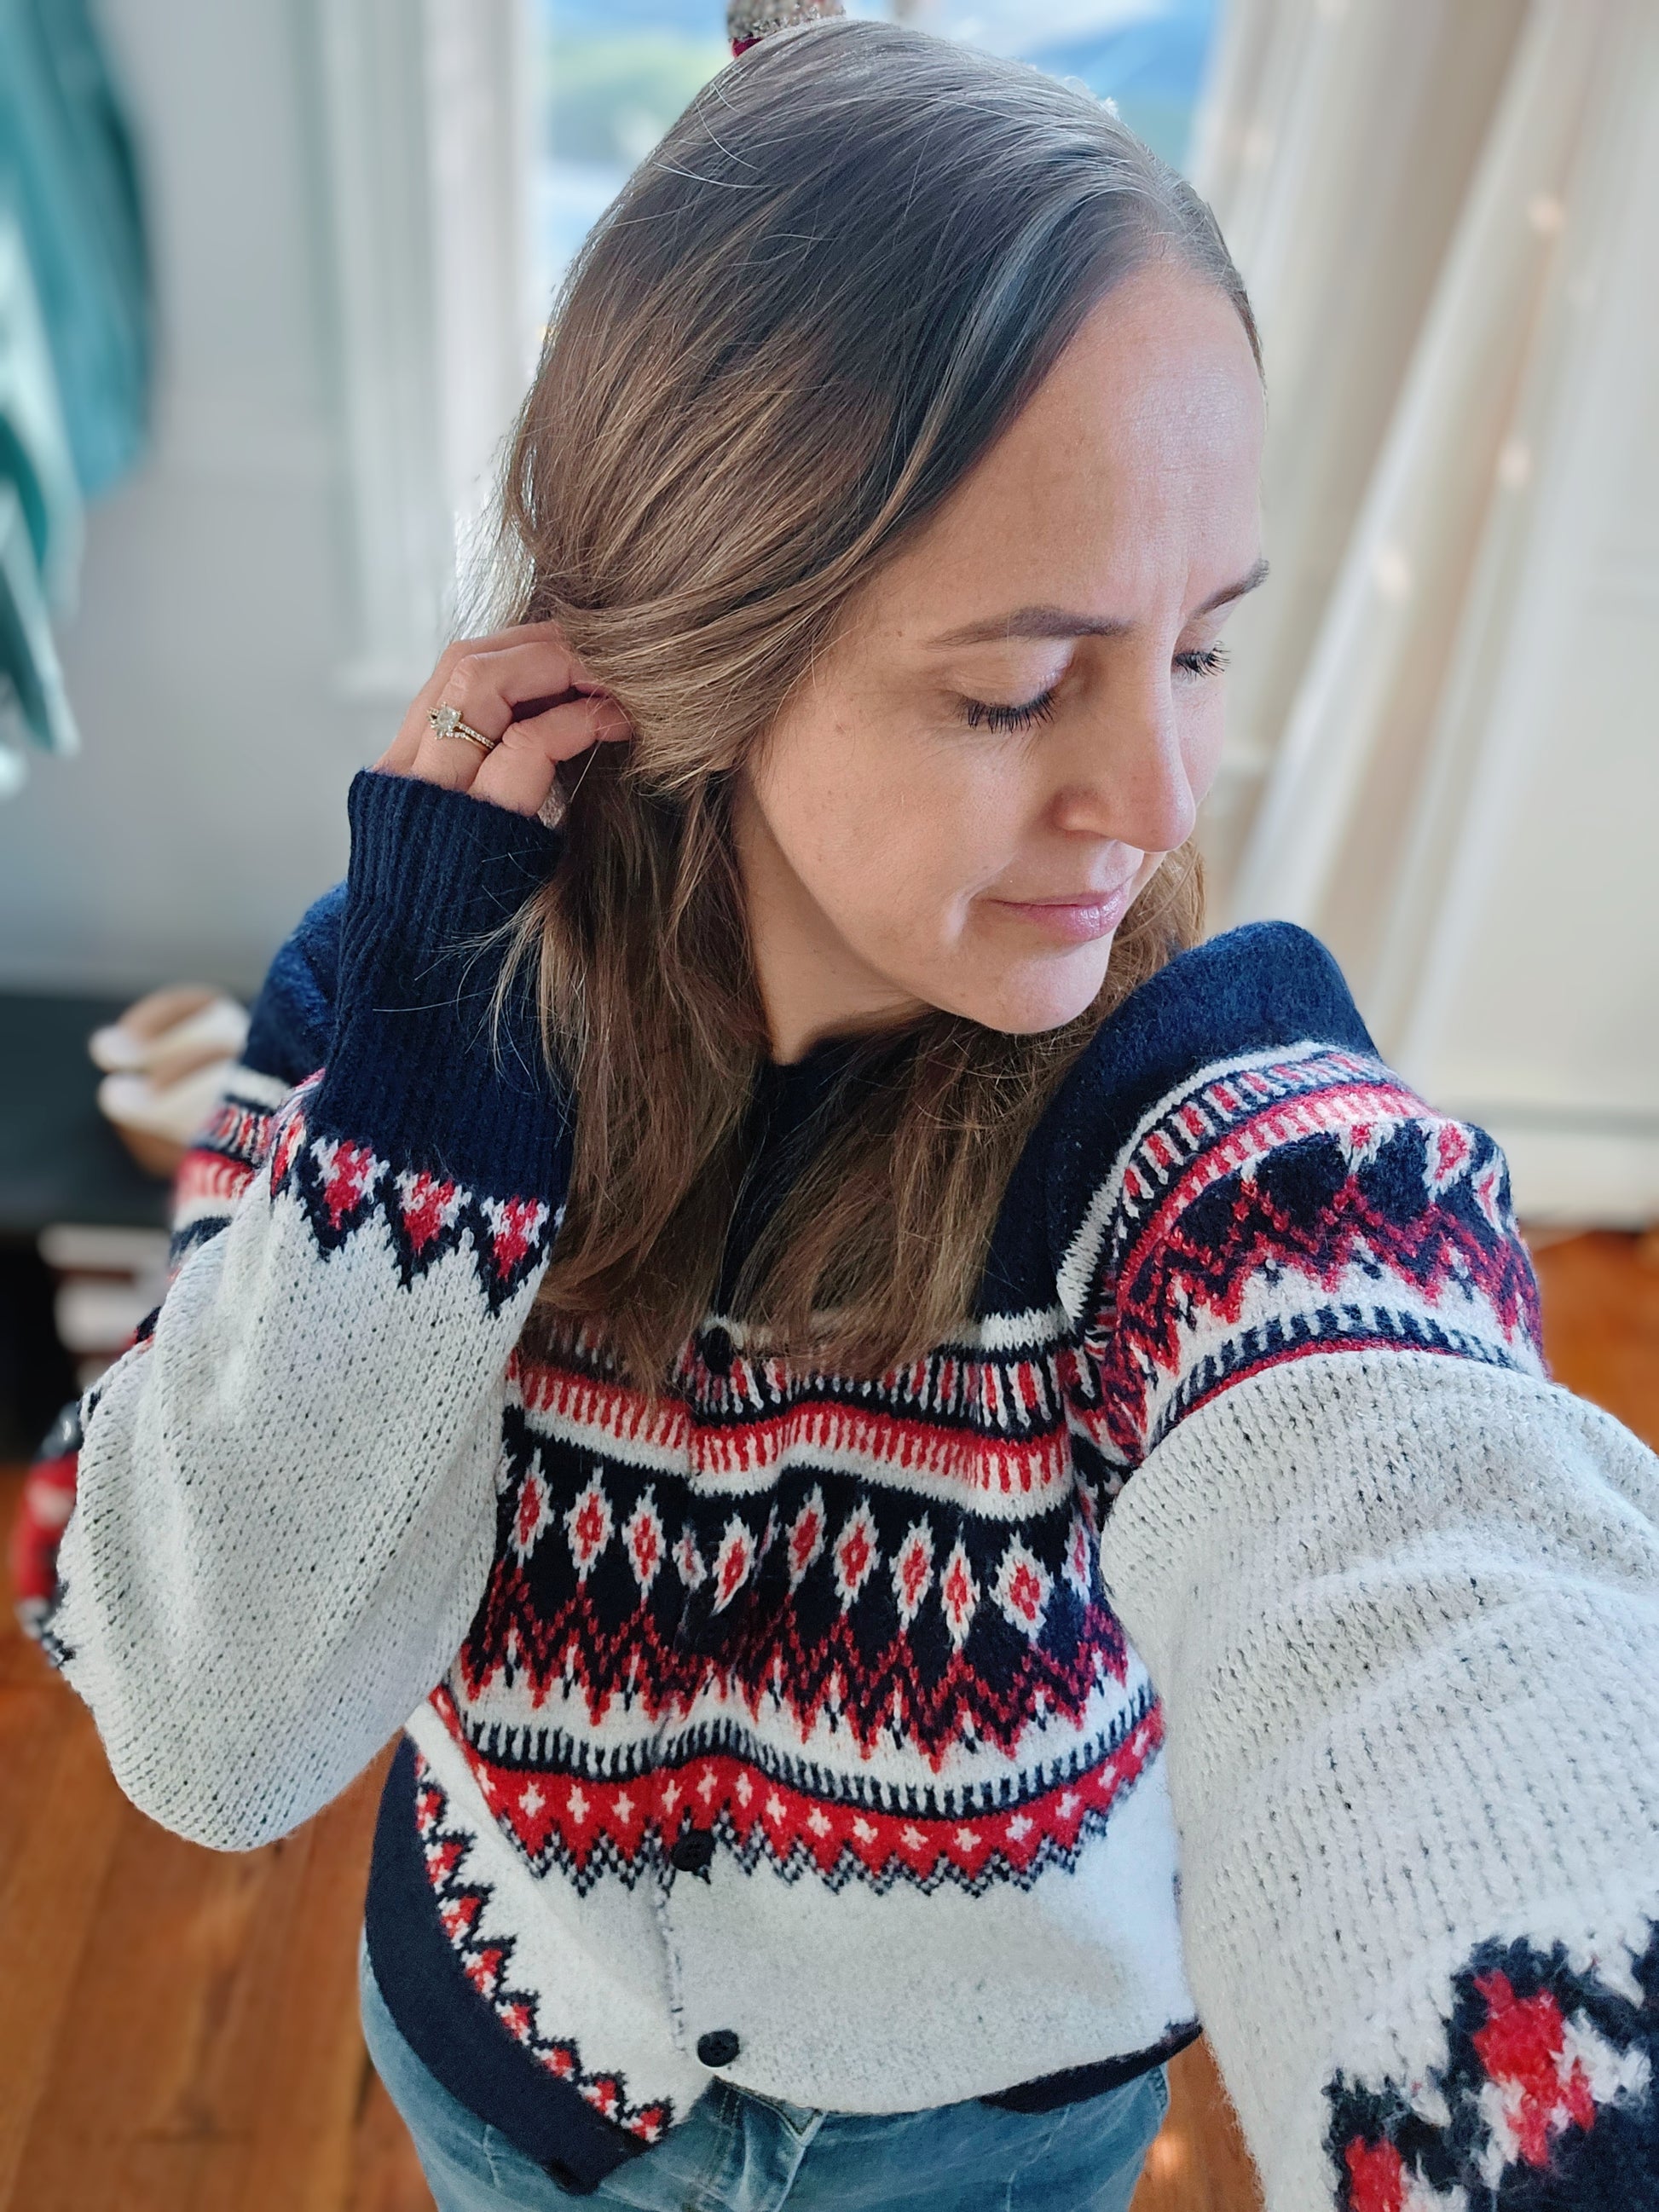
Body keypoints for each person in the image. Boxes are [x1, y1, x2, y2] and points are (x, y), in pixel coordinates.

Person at [39, 14, 1659, 2211]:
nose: (1158, 800)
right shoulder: (394, 1019)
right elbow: (212, 1730)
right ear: (684, 652)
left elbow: (1421, 1561)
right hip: (514, 2087)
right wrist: (431, 1106)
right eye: (1017, 687)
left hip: (1001, 2147)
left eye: (1201, 649)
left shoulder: (1197, 1118)